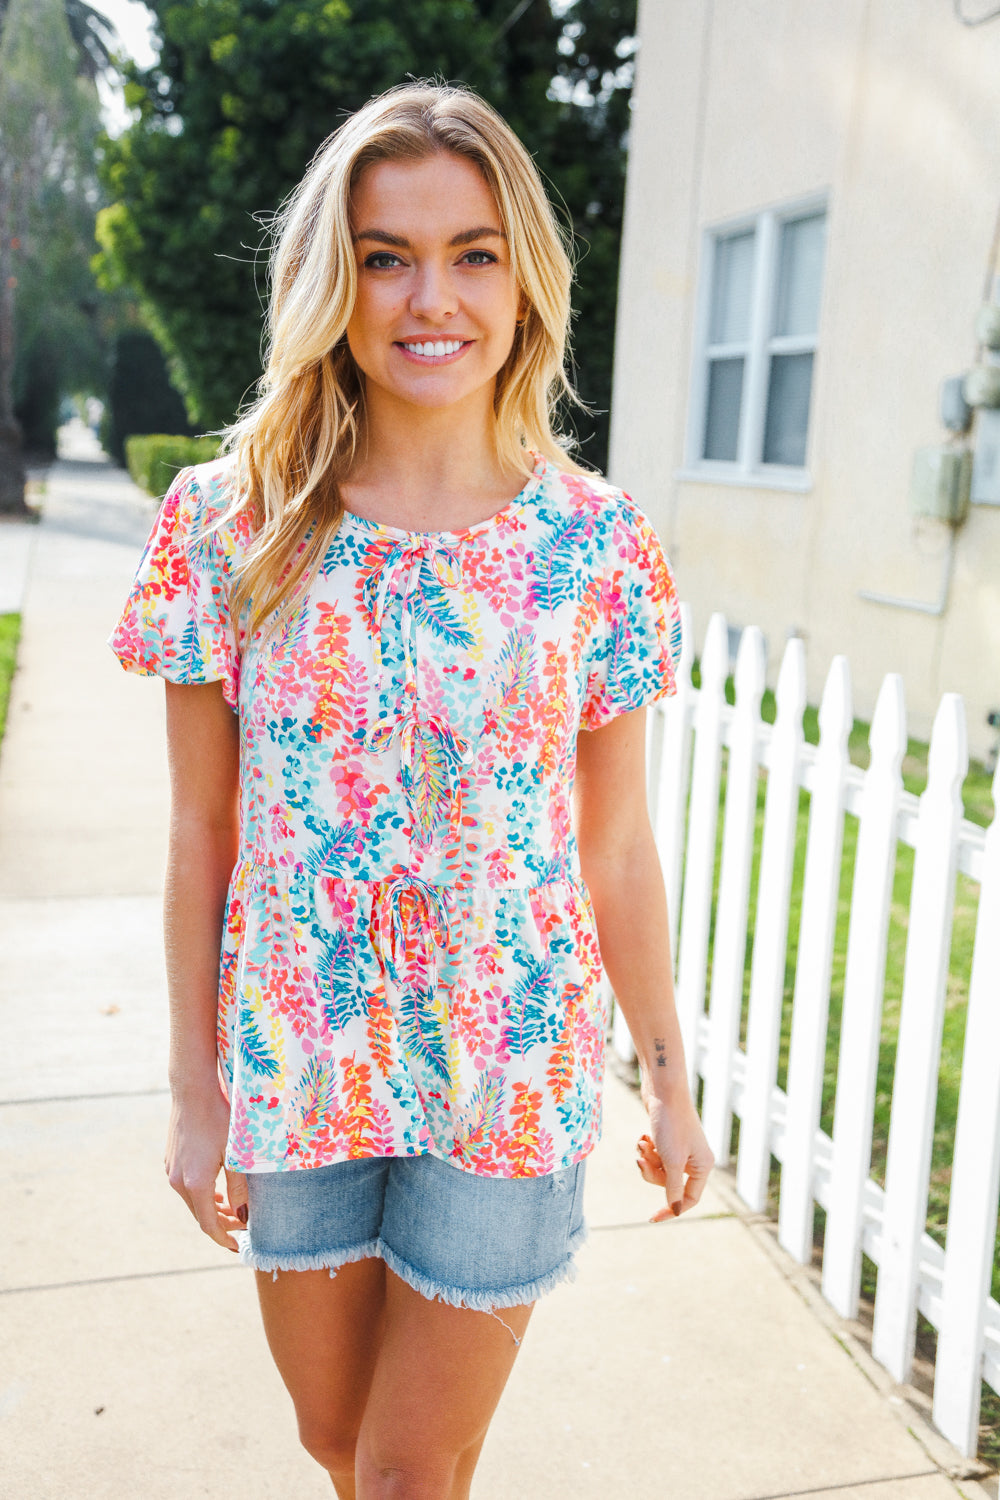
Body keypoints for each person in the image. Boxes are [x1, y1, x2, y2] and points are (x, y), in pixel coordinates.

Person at [110, 80, 713, 1500]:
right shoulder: (231, 527)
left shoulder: (594, 544)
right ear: (337, 283)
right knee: (341, 1443)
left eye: (473, 254)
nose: (430, 298)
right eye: (386, 257)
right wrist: (195, 1096)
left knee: (400, 1470)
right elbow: (202, 830)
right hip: (297, 1063)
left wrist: (670, 1084)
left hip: (507, 1069)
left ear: (524, 280)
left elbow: (617, 845)